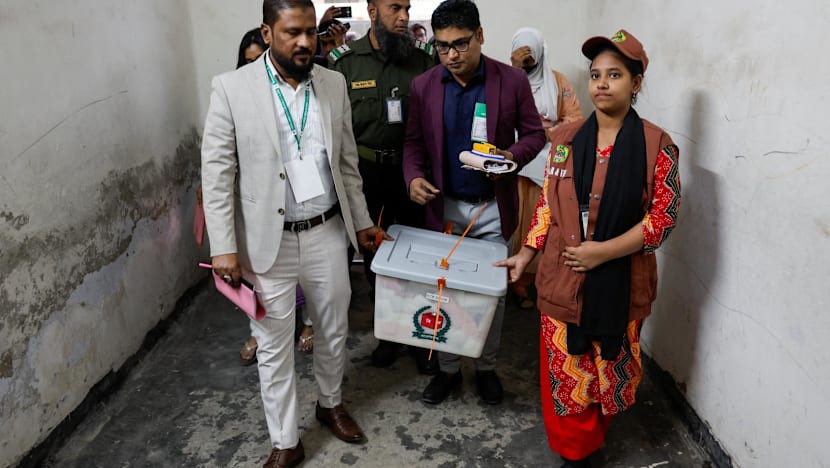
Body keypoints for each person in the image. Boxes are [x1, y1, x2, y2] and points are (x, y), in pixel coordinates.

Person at [201, 1, 387, 466]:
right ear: (268, 32)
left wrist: (361, 221)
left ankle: (329, 404)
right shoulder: (231, 89)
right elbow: (218, 172)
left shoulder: (333, 82)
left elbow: (346, 164)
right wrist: (223, 246)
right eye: (292, 33)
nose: (305, 42)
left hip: (326, 232)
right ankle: (285, 439)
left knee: (333, 327)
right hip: (269, 241)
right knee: (272, 342)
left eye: (310, 32)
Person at [495, 30, 681, 467]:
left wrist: (605, 252)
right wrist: (527, 253)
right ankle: (573, 452)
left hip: (621, 280)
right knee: (566, 372)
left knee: (605, 371)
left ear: (635, 84)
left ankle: (591, 443)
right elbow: (547, 204)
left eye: (615, 75)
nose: (601, 83)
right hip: (562, 277)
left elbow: (663, 220)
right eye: (596, 74)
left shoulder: (657, 146)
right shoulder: (564, 139)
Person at [402, 0, 545, 406]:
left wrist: (510, 157)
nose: (451, 56)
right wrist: (413, 177)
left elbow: (535, 134)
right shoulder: (425, 85)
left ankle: (486, 368)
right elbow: (413, 143)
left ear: (480, 36)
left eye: (460, 44)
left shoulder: (511, 80)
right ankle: (448, 370)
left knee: (490, 295)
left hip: (491, 208)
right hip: (443, 206)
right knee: (443, 293)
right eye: (442, 47)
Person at [329, 0, 438, 373]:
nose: (404, 17)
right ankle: (389, 335)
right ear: (372, 10)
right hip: (367, 173)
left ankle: (421, 338)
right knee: (377, 257)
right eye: (394, 8)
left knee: (418, 256)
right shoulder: (345, 63)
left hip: (413, 175)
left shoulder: (424, 59)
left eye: (407, 8)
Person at [508, 27, 583, 310]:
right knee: (515, 222)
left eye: (531, 56)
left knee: (544, 224)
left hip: (551, 162)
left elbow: (575, 120)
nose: (528, 61)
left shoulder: (557, 82)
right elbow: (497, 115)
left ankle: (537, 281)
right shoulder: (507, 81)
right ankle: (513, 280)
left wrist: (545, 132)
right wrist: (516, 70)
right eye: (522, 55)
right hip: (516, 162)